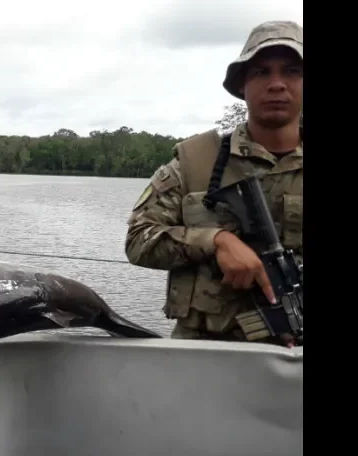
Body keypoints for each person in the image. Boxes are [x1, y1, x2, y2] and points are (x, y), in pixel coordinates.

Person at [124, 20, 303, 344]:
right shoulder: (197, 161)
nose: (277, 84)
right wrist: (216, 241)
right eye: (261, 72)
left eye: (291, 71)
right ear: (242, 86)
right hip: (204, 358)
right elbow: (139, 240)